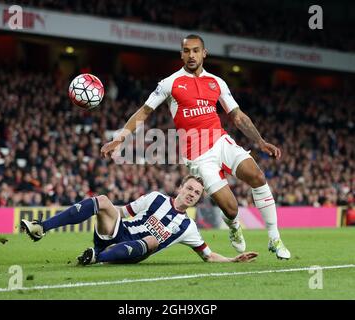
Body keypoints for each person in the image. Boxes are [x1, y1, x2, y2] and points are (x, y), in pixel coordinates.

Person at [101, 34, 290, 260]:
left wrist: (260, 141)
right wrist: (119, 138)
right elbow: (144, 111)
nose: (191, 55)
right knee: (230, 209)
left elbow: (237, 117)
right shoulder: (170, 83)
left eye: (196, 50)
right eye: (187, 51)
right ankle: (234, 226)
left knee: (257, 176)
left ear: (204, 53)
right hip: (198, 155)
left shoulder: (217, 82)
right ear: (181, 54)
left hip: (221, 141)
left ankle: (274, 238)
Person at [21, 175, 258, 265]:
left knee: (153, 241)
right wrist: (102, 210)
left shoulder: (188, 227)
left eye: (196, 193)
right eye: (189, 188)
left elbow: (208, 255)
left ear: (198, 200)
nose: (192, 194)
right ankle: (42, 227)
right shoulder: (156, 198)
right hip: (118, 233)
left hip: (134, 250)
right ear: (180, 187)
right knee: (102, 200)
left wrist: (232, 260)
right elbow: (123, 212)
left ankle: (96, 257)